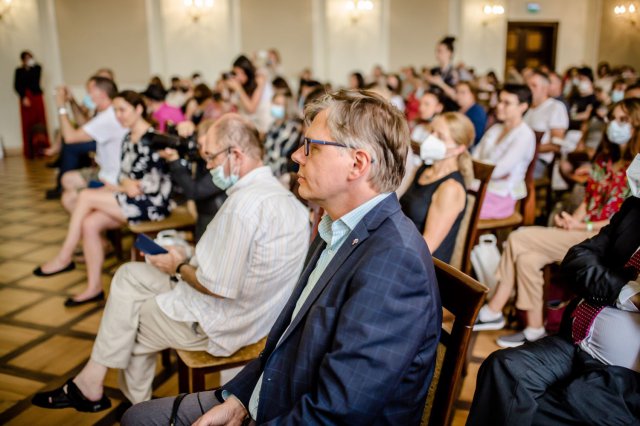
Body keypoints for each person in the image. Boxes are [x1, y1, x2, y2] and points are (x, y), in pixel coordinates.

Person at [121, 89, 442, 426]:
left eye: (312, 148)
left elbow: (338, 412)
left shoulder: (395, 262)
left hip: (300, 413)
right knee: (139, 418)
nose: (295, 156)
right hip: (277, 393)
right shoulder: (337, 227)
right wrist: (239, 400)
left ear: (357, 164)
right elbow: (287, 339)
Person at [32, 113, 310, 412]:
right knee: (127, 275)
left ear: (236, 155)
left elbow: (215, 286)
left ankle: (132, 406)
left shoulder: (244, 207)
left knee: (130, 319)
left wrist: (177, 266)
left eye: (211, 157)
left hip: (222, 324)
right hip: (257, 314)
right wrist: (186, 254)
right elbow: (240, 262)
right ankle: (94, 388)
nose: (208, 166)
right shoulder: (282, 198)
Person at [467, 157, 640, 424]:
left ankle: (495, 310)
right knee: (503, 368)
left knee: (551, 410)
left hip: (622, 371)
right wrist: (625, 292)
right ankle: (503, 313)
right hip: (577, 339)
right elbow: (578, 257)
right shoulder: (635, 208)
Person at [473, 98, 640, 348]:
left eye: (623, 121)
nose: (614, 125)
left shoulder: (635, 171)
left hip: (598, 238)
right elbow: (590, 199)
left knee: (519, 237)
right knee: (527, 258)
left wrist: (581, 227)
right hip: (582, 228)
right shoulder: (605, 158)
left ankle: (495, 307)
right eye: (612, 118)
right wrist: (574, 218)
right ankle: (534, 328)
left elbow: (619, 223)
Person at [33, 91, 173, 306]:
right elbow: (125, 177)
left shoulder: (154, 139)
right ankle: (94, 287)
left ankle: (64, 256)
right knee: (90, 223)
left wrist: (126, 185)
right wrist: (121, 185)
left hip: (152, 204)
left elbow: (150, 185)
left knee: (87, 196)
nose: (118, 116)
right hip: (131, 198)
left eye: (122, 110)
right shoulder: (128, 136)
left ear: (138, 109)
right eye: (115, 110)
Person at [400, 112, 474, 263]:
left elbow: (427, 246)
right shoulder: (425, 168)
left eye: (440, 137)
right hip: (400, 243)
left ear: (459, 148)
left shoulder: (451, 188)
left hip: (420, 264)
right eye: (431, 131)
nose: (431, 138)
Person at [51, 76, 128, 205]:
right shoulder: (105, 112)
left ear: (102, 94)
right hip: (106, 170)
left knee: (68, 197)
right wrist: (72, 102)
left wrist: (61, 107)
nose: (88, 96)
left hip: (114, 175)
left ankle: (94, 216)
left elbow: (70, 138)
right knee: (67, 179)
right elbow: (85, 124)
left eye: (90, 92)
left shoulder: (108, 116)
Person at [472, 84, 536, 220]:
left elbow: (499, 170)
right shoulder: (495, 129)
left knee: (456, 207)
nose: (499, 106)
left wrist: (482, 169)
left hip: (501, 195)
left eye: (506, 103)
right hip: (478, 186)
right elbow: (474, 157)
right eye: (500, 101)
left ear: (523, 106)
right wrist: (483, 169)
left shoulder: (524, 135)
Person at [159, 120, 227, 242]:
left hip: (217, 220)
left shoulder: (224, 165)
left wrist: (175, 161)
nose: (204, 151)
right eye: (200, 145)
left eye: (208, 144)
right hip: (204, 216)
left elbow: (194, 192)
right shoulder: (201, 157)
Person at [524, 69, 569, 179]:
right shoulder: (527, 108)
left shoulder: (555, 107)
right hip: (522, 157)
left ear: (545, 88)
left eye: (534, 86)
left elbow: (556, 145)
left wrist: (526, 149)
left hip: (539, 161)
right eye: (528, 85)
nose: (529, 89)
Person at [14, 50, 50, 159]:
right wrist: (23, 96)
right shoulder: (19, 71)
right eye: (26, 58)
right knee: (28, 124)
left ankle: (42, 148)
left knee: (39, 121)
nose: (29, 60)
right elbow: (17, 85)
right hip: (25, 98)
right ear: (23, 59)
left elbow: (35, 80)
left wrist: (32, 66)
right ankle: (30, 151)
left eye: (30, 57)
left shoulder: (36, 68)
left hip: (36, 97)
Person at [226, 55, 274, 133]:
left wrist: (238, 88)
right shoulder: (243, 85)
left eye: (241, 73)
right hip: (250, 126)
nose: (238, 77)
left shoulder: (259, 79)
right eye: (236, 73)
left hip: (265, 125)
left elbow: (251, 109)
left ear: (247, 72)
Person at [263, 91, 303, 180]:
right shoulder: (272, 125)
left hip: (281, 174)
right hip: (266, 170)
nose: (274, 106)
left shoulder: (293, 127)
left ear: (286, 107)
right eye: (274, 103)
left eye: (278, 104)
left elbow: (282, 154)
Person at [426, 36, 459, 109]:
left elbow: (456, 96)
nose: (437, 54)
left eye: (440, 51)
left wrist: (440, 83)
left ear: (449, 53)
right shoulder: (433, 71)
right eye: (436, 51)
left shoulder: (455, 72)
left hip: (448, 108)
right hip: (433, 108)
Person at [455, 81, 487, 145]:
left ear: (472, 94)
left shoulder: (477, 112)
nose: (458, 96)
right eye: (457, 92)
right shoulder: (460, 109)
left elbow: (476, 137)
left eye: (463, 93)